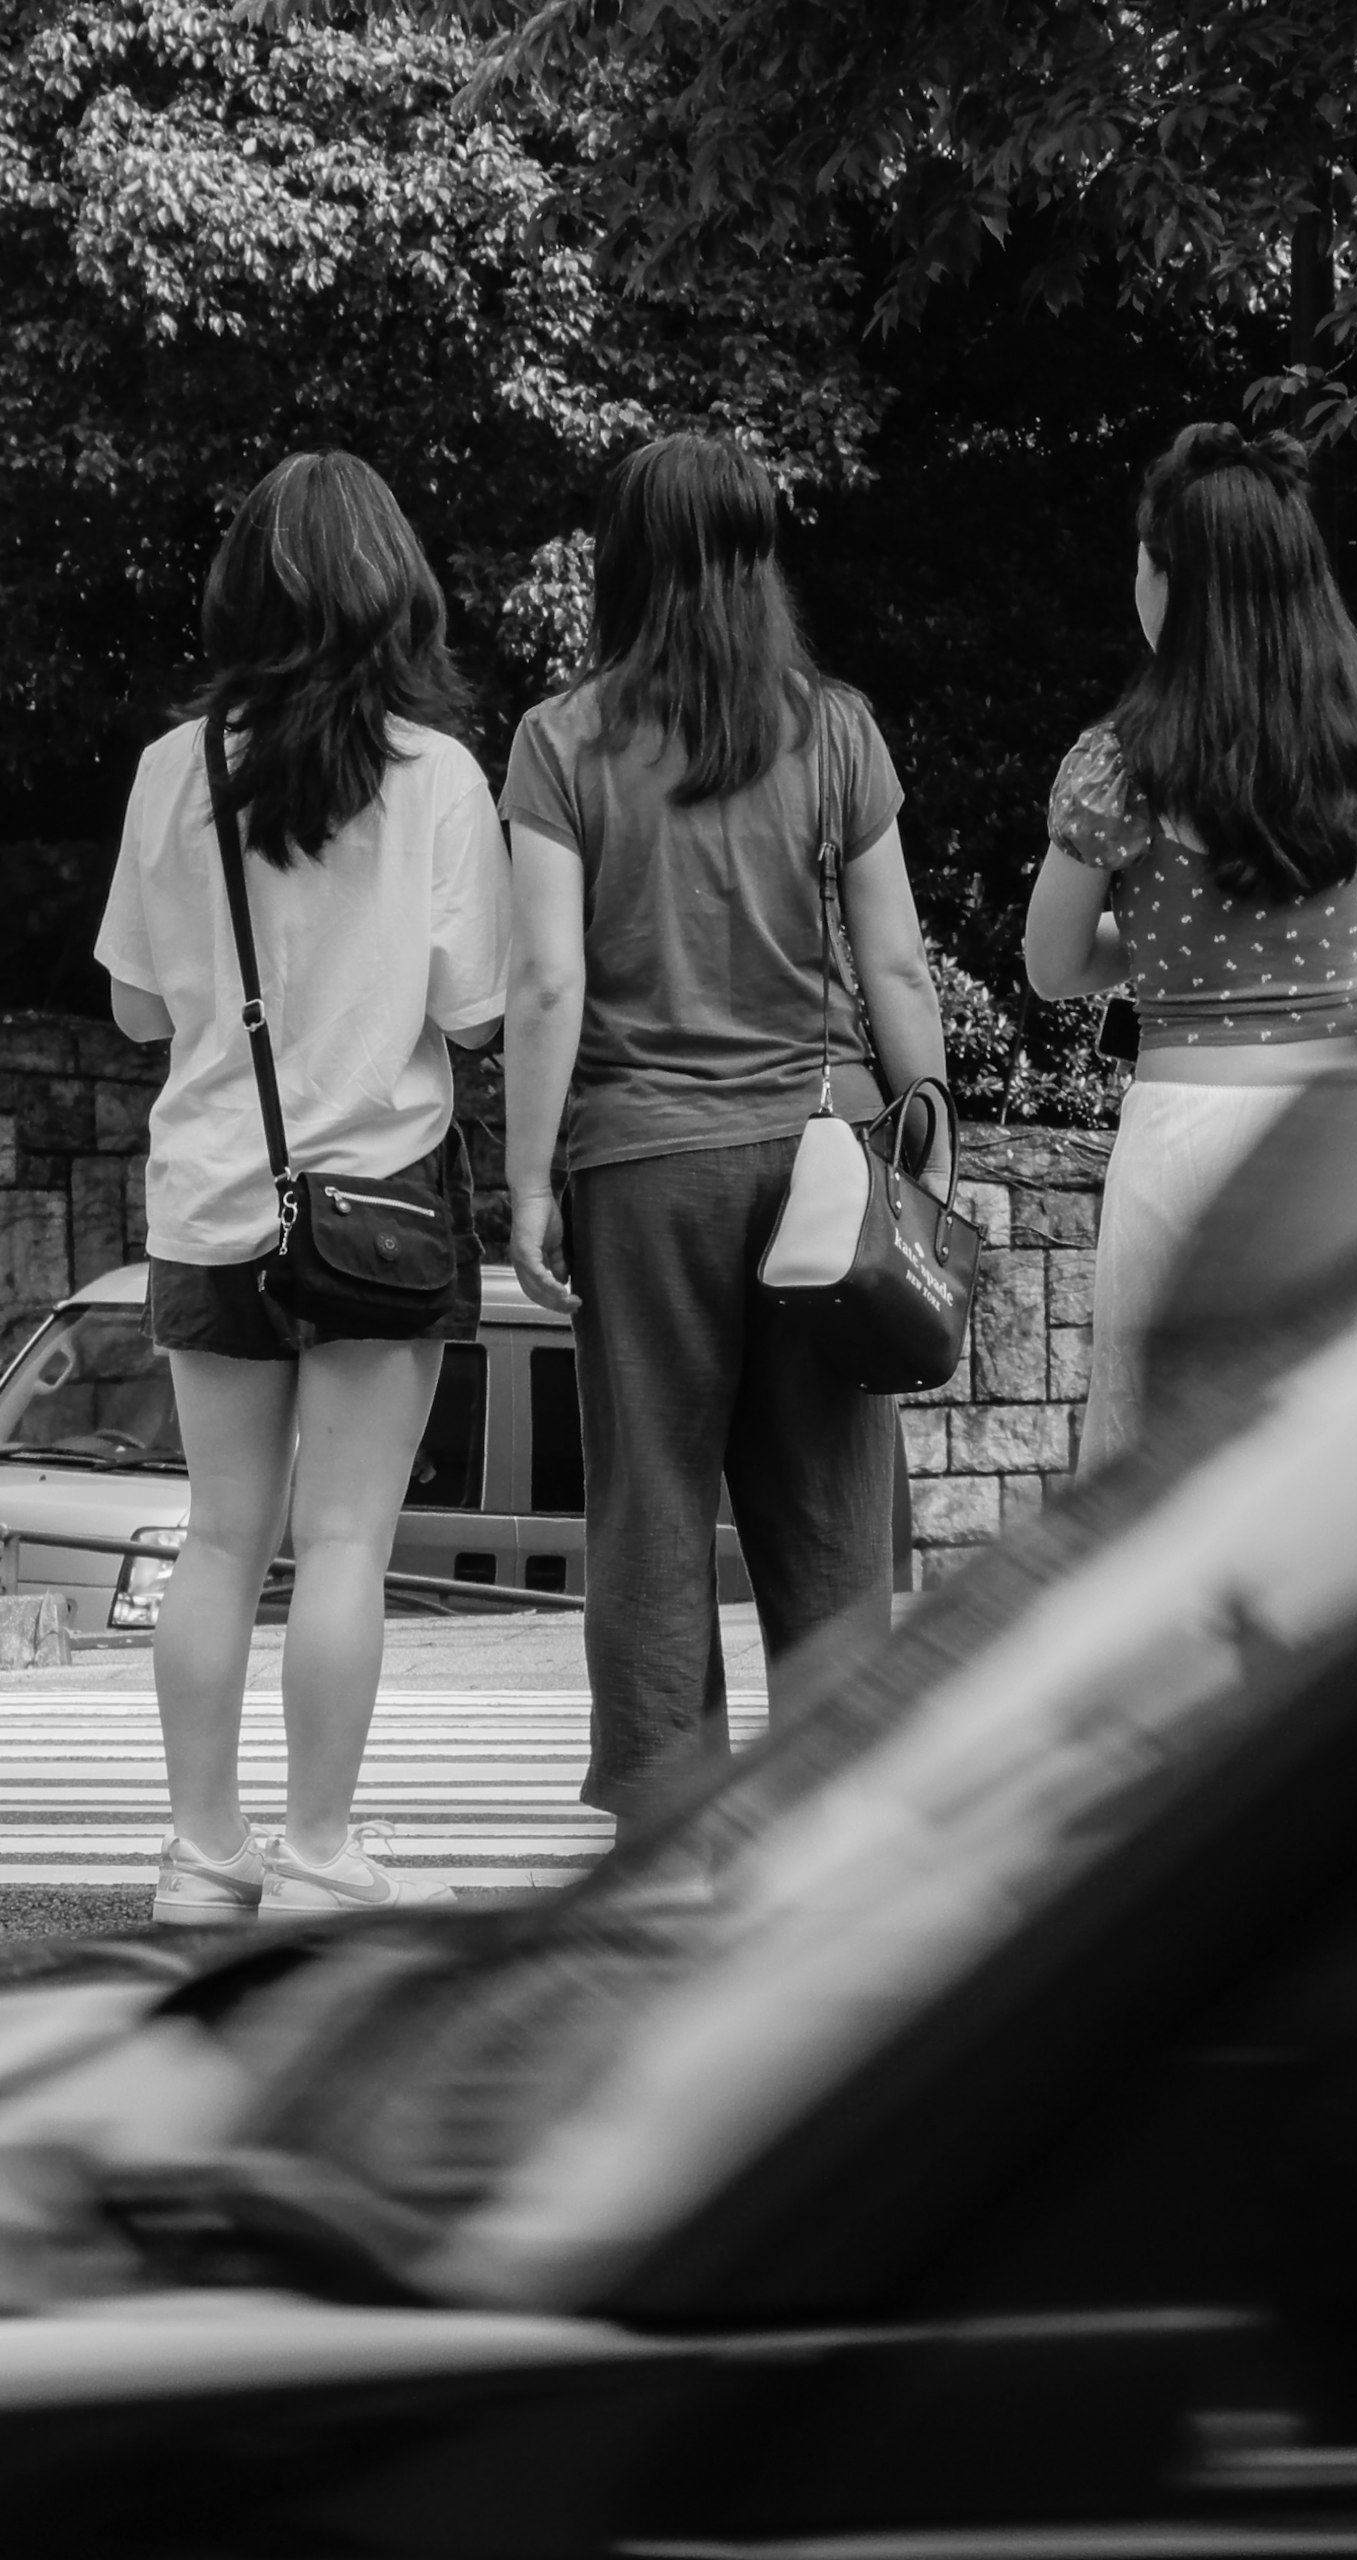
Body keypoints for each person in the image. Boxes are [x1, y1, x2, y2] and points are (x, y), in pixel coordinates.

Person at [499, 432, 950, 1827]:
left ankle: (664, 1809)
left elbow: (550, 978)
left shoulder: (562, 740)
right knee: (826, 1503)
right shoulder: (834, 732)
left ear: (623, 562)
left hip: (639, 1168)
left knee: (652, 1492)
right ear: (760, 561)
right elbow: (897, 965)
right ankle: (837, 1804)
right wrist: (926, 1128)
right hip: (817, 1162)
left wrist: (527, 1178)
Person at [95, 452, 507, 1922]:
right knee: (345, 1546)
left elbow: (142, 1014)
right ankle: (322, 1855)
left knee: (219, 1537)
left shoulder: (168, 769)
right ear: (391, 588)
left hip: (212, 1202)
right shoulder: (438, 778)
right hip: (381, 1209)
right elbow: (473, 1010)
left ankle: (201, 1859)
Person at [1024, 422, 1357, 1467]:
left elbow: (1053, 964)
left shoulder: (1121, 764)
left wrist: (1164, 951)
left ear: (1169, 580)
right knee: (1321, 1458)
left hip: (1178, 1133)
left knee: (1155, 1474)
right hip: (1329, 1136)